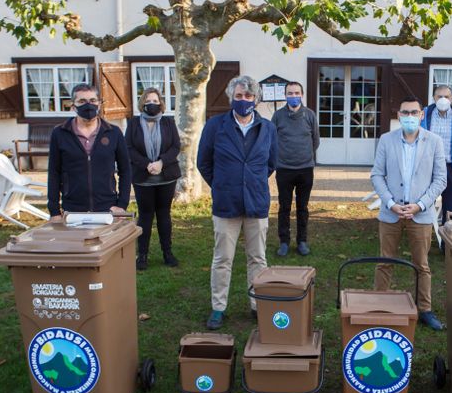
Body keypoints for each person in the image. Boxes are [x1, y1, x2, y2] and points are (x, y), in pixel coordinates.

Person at [197, 75, 277, 330]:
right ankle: (218, 307)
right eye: (239, 96)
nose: (244, 100)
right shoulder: (215, 126)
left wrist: (250, 182)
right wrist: (222, 184)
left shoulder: (267, 128)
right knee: (223, 258)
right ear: (231, 97)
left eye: (248, 96)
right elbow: (204, 162)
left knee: (258, 258)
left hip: (256, 202)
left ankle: (257, 304)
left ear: (256, 99)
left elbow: (271, 163)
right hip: (226, 203)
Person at [371, 96, 447, 330]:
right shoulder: (386, 140)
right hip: (391, 211)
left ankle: (424, 309)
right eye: (405, 112)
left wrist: (421, 204)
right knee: (385, 261)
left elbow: (440, 179)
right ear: (399, 115)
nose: (410, 117)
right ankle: (378, 305)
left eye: (414, 112)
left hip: (420, 213)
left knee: (421, 264)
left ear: (422, 115)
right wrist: (391, 203)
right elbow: (377, 175)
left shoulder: (434, 141)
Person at [47, 84, 131, 221]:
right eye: (82, 101)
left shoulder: (114, 133)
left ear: (99, 104)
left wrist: (122, 204)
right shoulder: (59, 133)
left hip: (107, 208)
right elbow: (53, 173)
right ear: (73, 106)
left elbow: (126, 170)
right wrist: (54, 211)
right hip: (73, 209)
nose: (88, 105)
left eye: (92, 100)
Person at [125, 88, 182, 270]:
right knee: (146, 216)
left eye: (156, 101)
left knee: (164, 215)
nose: (152, 104)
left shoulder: (168, 122)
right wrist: (147, 164)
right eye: (149, 100)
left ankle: (167, 253)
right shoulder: (133, 123)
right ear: (143, 103)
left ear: (161, 104)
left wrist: (161, 163)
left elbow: (175, 146)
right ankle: (142, 255)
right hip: (143, 177)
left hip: (166, 176)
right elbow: (129, 148)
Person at [272, 81, 320, 257]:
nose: (293, 96)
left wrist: (304, 155)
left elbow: (315, 140)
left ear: (302, 94)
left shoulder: (309, 115)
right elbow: (272, 140)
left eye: (296, 93)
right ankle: (284, 242)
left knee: (303, 207)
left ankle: (302, 241)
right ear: (285, 95)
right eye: (290, 93)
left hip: (305, 169)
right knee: (284, 207)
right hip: (284, 169)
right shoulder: (278, 116)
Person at [421, 84, 452, 248]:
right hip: (429, 167)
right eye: (439, 96)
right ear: (434, 98)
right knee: (425, 204)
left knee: (450, 208)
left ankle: (447, 245)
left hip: (451, 167)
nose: (443, 100)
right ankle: (424, 243)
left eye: (446, 97)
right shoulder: (425, 115)